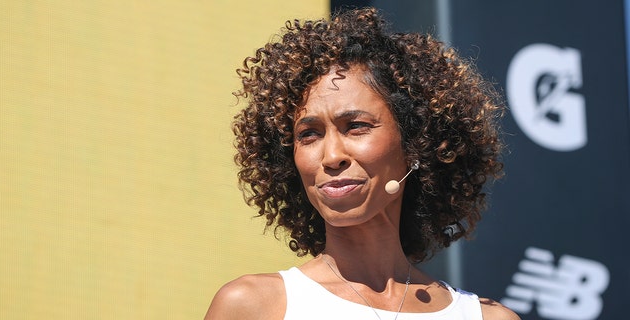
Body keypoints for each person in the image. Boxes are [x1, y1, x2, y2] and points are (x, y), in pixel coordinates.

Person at [205, 7, 520, 320]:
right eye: (309, 134)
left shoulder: (486, 317)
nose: (331, 156)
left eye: (355, 126)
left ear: (416, 144)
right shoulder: (253, 306)